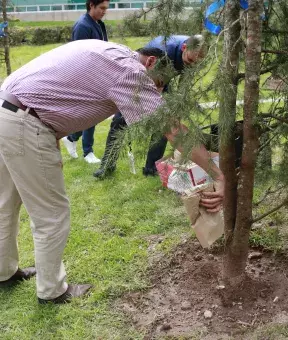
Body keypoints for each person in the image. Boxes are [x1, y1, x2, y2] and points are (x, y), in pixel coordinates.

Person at [0, 39, 225, 304]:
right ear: (151, 62)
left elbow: (57, 92)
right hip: (26, 122)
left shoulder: (115, 53)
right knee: (51, 214)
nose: (158, 91)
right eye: (160, 83)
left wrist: (52, 138)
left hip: (9, 109)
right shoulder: (130, 72)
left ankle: (3, 272)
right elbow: (172, 129)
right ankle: (52, 291)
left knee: (5, 202)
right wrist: (220, 175)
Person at [93, 34, 207, 178]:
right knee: (120, 120)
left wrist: (178, 103)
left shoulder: (193, 56)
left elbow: (185, 79)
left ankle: (151, 168)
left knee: (165, 123)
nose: (191, 65)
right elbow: (151, 79)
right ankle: (107, 166)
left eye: (195, 64)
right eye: (189, 60)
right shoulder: (164, 51)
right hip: (143, 76)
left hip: (164, 81)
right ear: (184, 48)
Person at [62, 0, 109, 164]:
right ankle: (87, 151)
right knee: (92, 113)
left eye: (106, 8)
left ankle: (72, 137)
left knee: (95, 113)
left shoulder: (99, 24)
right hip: (86, 77)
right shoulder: (82, 26)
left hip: (98, 74)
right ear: (91, 5)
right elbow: (79, 56)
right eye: (101, 8)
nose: (104, 11)